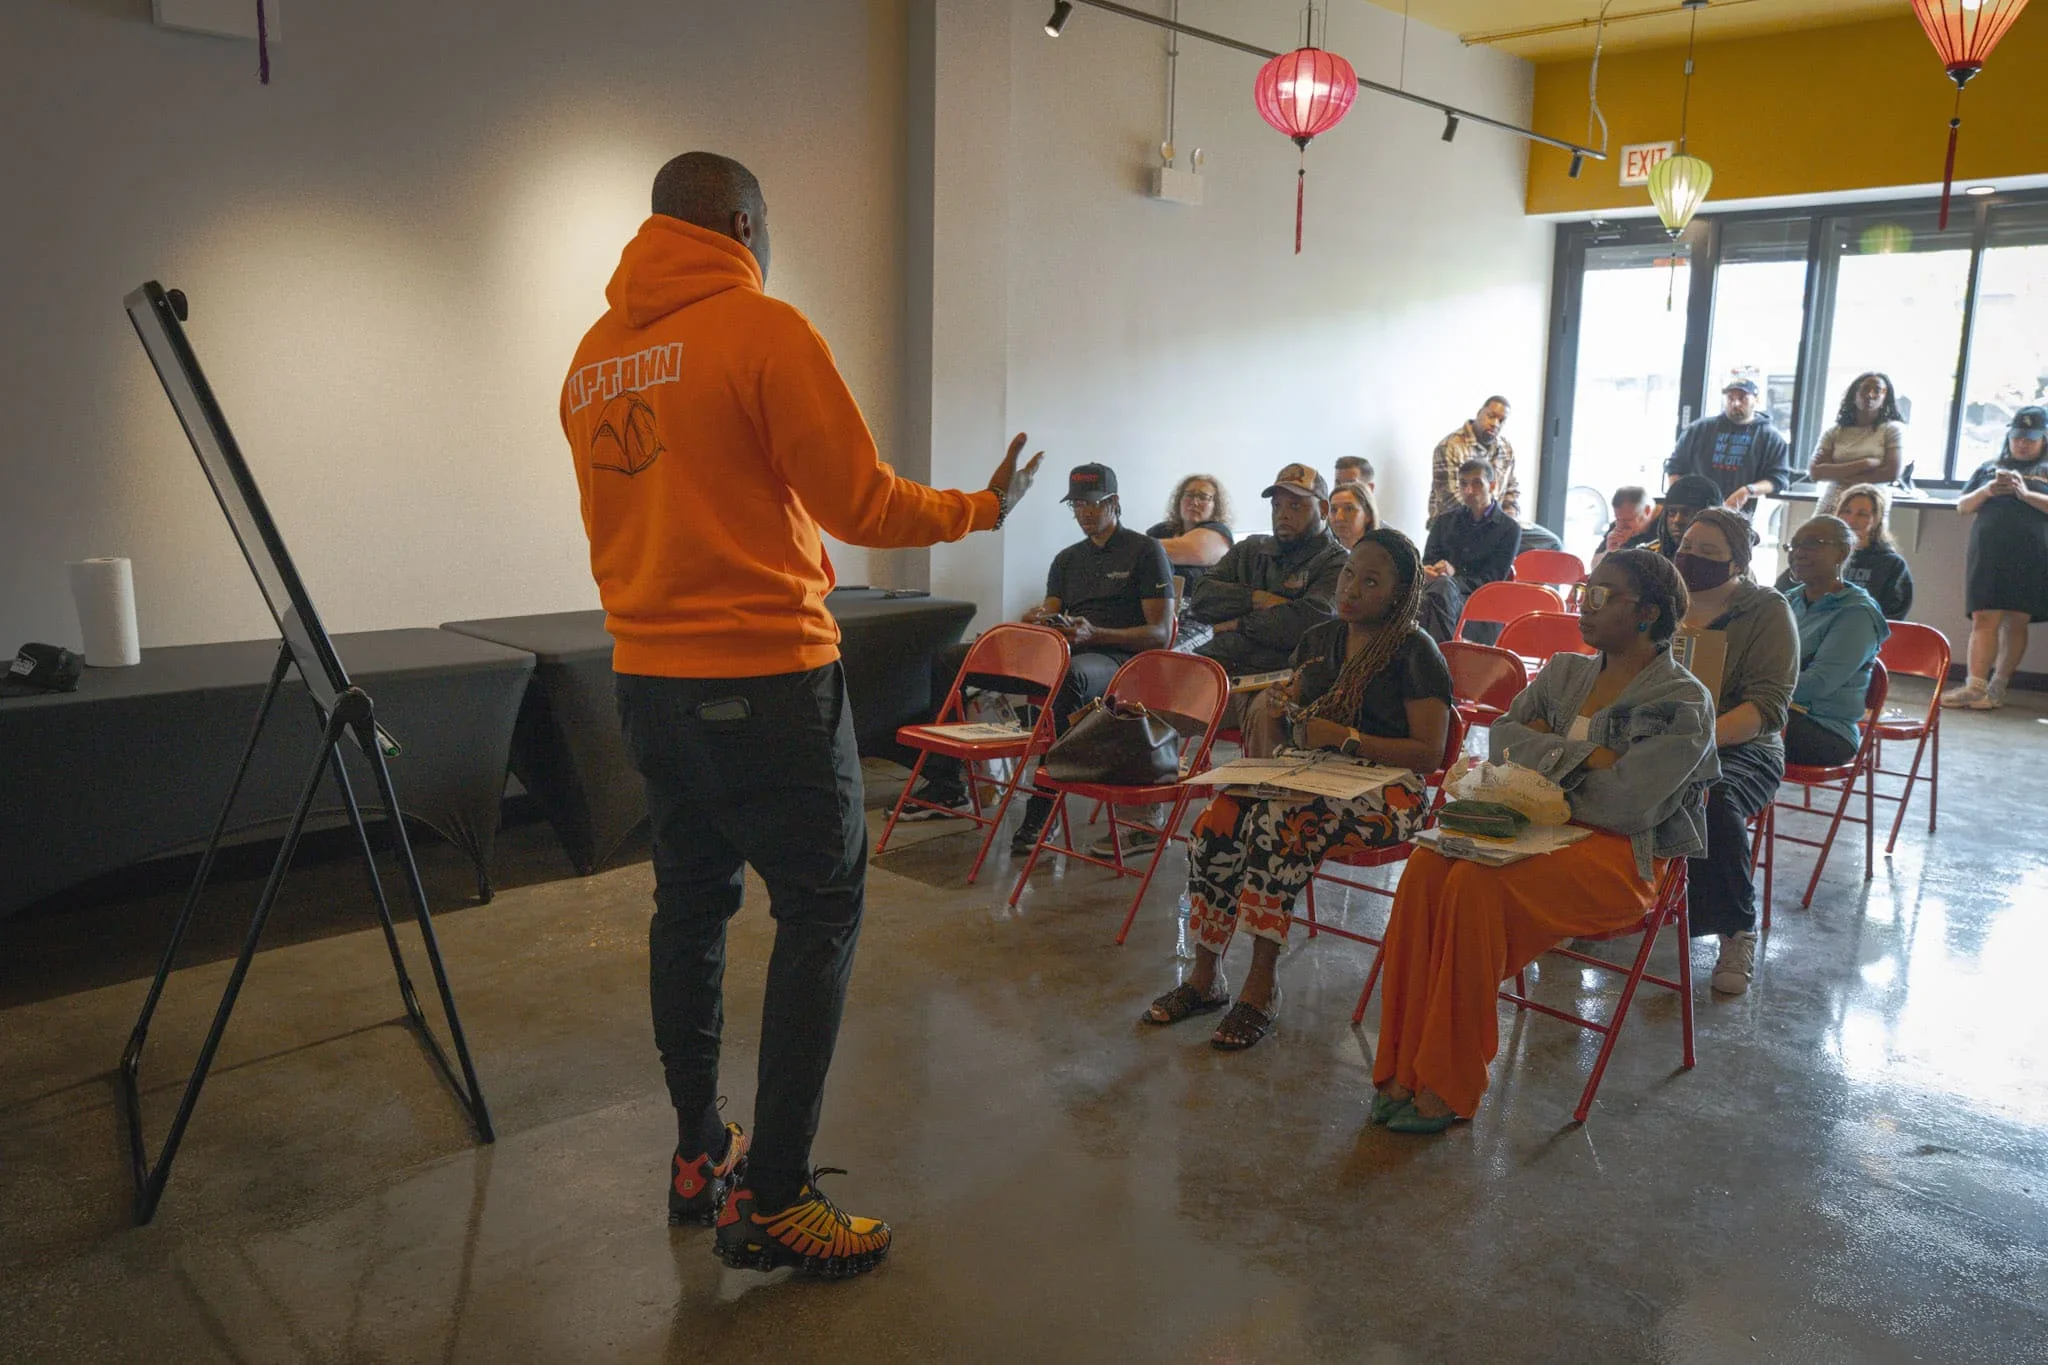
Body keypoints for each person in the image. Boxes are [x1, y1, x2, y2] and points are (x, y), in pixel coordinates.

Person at [562, 151, 1045, 1277]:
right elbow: (858, 500)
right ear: (740, 218)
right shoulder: (762, 328)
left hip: (643, 679)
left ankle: (697, 1156)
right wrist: (982, 504)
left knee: (686, 907)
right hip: (764, 680)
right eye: (767, 217)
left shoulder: (592, 360)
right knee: (819, 911)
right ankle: (774, 1197)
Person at [1370, 550, 1716, 1133]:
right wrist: (1591, 761)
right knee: (1428, 867)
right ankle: (1404, 1065)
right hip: (1529, 832)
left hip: (1618, 858)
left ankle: (1450, 1081)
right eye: (1585, 589)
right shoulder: (1562, 672)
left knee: (1476, 886)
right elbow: (1501, 741)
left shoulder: (1681, 702)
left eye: (1603, 596)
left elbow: (1628, 804)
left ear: (1647, 613)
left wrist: (1544, 761)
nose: (1584, 604)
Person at [1141, 529, 1451, 1052]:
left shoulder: (1415, 652)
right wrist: (1283, 709)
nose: (1351, 589)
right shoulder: (1320, 640)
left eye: (1370, 582)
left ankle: (1261, 986)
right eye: (1349, 574)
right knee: (1217, 819)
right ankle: (1205, 975)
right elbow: (1299, 724)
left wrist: (1348, 739)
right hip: (1314, 774)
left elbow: (1431, 753)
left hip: (1392, 792)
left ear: (1398, 596)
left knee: (1280, 825)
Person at [905, 464, 1173, 855]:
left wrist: (1094, 633)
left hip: (1116, 657)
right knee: (952, 659)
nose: (1084, 513)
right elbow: (1051, 610)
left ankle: (1042, 805)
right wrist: (1039, 620)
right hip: (1066, 650)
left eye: (1093, 504)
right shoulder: (1067, 560)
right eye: (1077, 505)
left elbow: (1159, 634)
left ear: (1114, 503)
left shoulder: (1145, 551)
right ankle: (946, 784)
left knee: (1067, 676)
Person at [1672, 508, 1799, 997]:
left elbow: (1767, 706)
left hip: (1741, 743)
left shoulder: (1766, 611)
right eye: (1687, 547)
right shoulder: (1662, 598)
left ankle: (1735, 929)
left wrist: (1699, 742)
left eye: (1710, 553)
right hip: (1663, 729)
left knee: (1712, 798)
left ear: (1738, 561)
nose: (1693, 559)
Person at [1186, 464, 1348, 676]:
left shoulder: (1338, 561)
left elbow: (1311, 621)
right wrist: (1257, 599)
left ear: (1324, 510)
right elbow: (1201, 595)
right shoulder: (1250, 549)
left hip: (1280, 679)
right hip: (1216, 662)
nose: (1283, 514)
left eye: (1295, 506)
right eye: (1277, 505)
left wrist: (1239, 623)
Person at [1943, 406, 2048, 711]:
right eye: (2017, 436)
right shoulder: (1989, 467)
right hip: (1989, 551)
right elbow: (1962, 506)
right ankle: (1974, 686)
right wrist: (1989, 490)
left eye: (2030, 437)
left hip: (2031, 552)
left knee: (2017, 620)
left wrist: (2024, 493)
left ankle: (1998, 685)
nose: (2022, 443)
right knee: (1983, 616)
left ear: (2043, 438)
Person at [1780, 516, 1889, 768]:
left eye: (1811, 544)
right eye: (1794, 546)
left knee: (1725, 727)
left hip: (1825, 730)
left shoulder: (1857, 613)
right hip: (1782, 711)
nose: (1798, 553)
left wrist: (1751, 688)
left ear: (1843, 551)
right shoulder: (1788, 601)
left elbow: (1816, 684)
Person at [1416, 459, 1520, 643]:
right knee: (1428, 594)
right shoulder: (1444, 521)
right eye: (1463, 484)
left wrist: (1452, 577)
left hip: (1480, 606)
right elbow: (1428, 561)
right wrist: (1432, 570)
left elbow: (1491, 580)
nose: (1468, 491)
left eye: (1477, 483)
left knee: (1439, 592)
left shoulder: (1509, 528)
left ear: (1493, 486)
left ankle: (1439, 655)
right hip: (1440, 597)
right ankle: (1444, 653)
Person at [1773, 484, 1913, 621]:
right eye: (1846, 511)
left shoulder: (1892, 565)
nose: (1852, 520)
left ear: (1876, 520)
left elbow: (1892, 619)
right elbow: (1779, 596)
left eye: (1862, 514)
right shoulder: (1817, 555)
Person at [1666, 378, 1795, 514]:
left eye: (1742, 398)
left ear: (1756, 400)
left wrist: (1747, 491)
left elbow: (1778, 479)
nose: (1735, 403)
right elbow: (1675, 466)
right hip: (1695, 510)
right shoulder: (1699, 429)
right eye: (1730, 398)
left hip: (1740, 515)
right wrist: (1676, 502)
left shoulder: (1770, 437)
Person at [1807, 372, 1905, 515]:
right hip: (1833, 499)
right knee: (1817, 535)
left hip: (1871, 501)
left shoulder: (1892, 430)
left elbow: (1891, 473)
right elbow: (1815, 472)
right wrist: (1865, 464)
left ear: (1885, 397)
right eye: (1865, 389)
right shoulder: (1835, 431)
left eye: (1877, 390)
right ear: (1855, 393)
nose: (1870, 395)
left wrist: (1837, 471)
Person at [1429, 396, 1519, 521]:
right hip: (1456, 525)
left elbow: (1511, 491)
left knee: (1548, 540)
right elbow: (1451, 499)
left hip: (1497, 524)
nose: (1495, 424)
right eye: (1491, 416)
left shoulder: (1506, 449)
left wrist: (1509, 522)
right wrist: (1491, 521)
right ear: (1479, 413)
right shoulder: (1450, 447)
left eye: (1501, 420)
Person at [1146, 473, 1235, 596]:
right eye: (1189, 495)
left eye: (1203, 497)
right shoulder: (1161, 530)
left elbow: (1192, 550)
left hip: (1201, 609)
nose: (1194, 502)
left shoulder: (1220, 533)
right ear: (1179, 500)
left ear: (1215, 506)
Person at [1634, 475, 1724, 561]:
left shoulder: (1727, 557)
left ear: (1711, 516)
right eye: (1672, 513)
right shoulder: (1647, 558)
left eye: (1688, 513)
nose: (1677, 520)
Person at [1591, 485, 1654, 569]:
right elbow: (1593, 566)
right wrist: (1609, 552)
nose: (1621, 525)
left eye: (1628, 520)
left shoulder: (1666, 526)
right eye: (1618, 519)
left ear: (1647, 511)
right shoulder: (1616, 527)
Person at [1329, 480, 1378, 551]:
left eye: (1349, 509)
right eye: (1333, 510)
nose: (1339, 517)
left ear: (1368, 515)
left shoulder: (1380, 556)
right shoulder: (1323, 554)